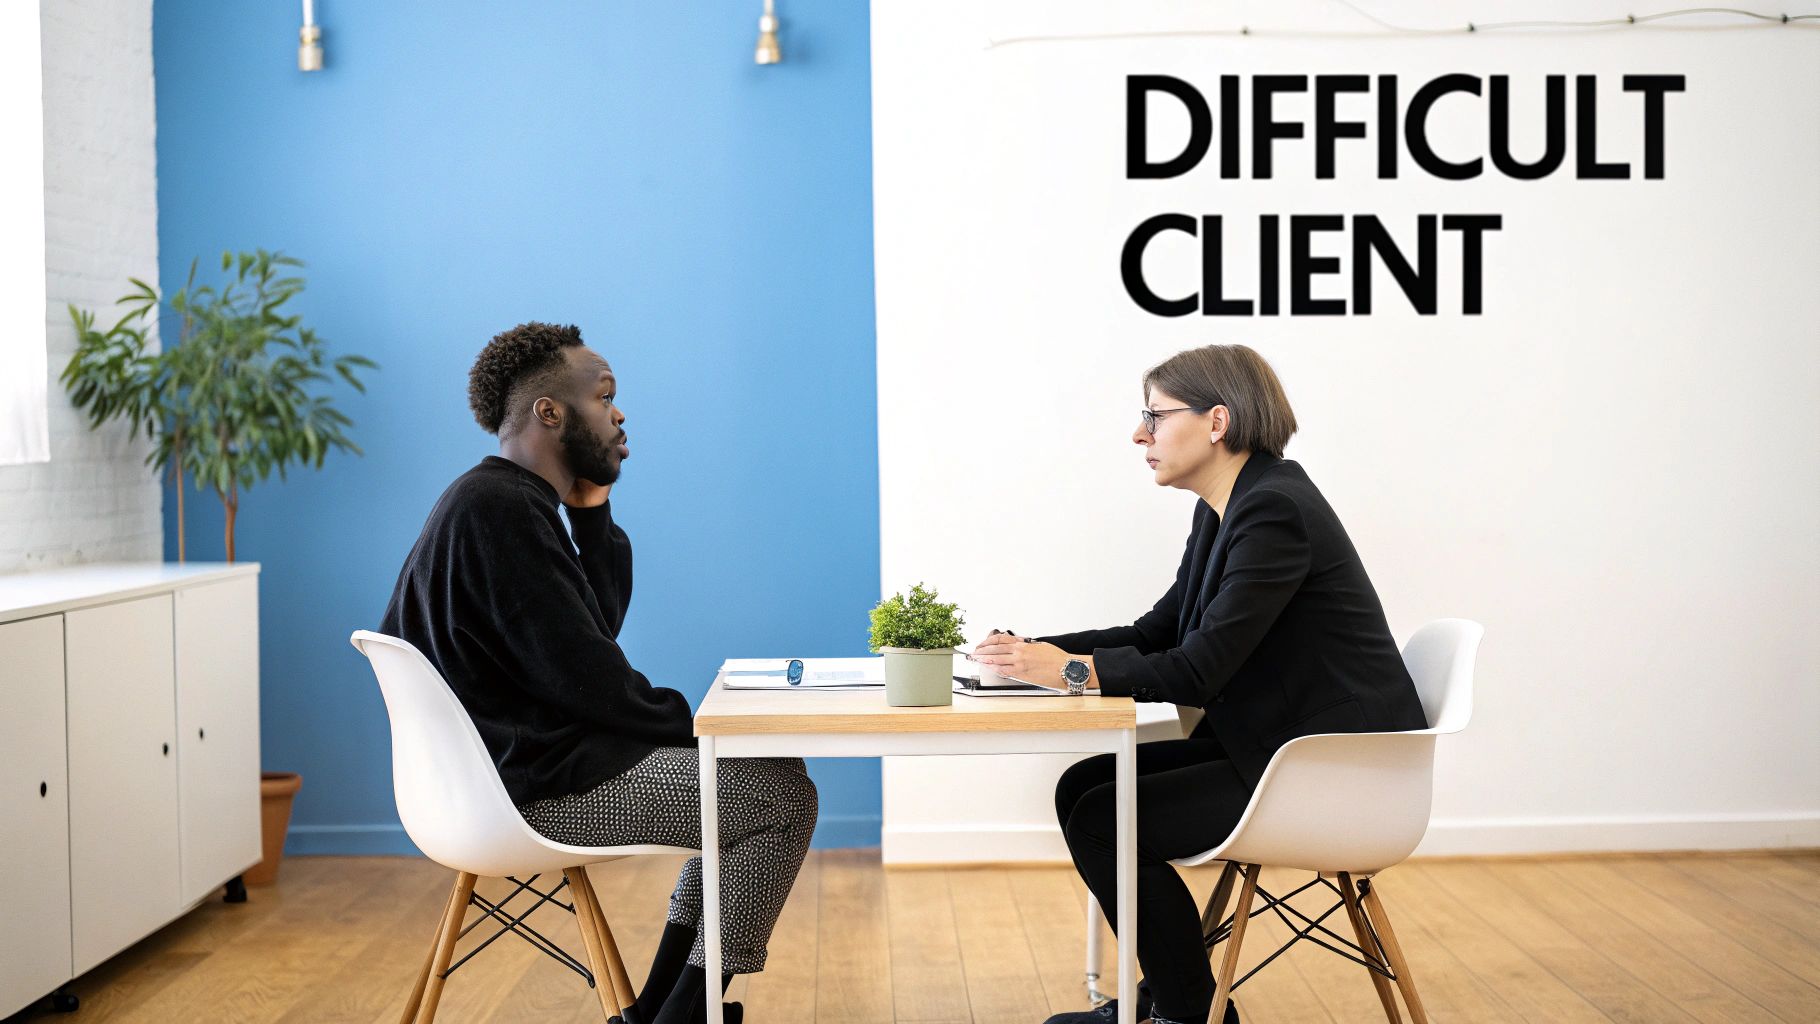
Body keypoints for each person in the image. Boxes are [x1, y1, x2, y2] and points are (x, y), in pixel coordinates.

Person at [971, 344, 1428, 1024]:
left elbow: (1198, 668)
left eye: (1154, 415)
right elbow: (1158, 632)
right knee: (1085, 789)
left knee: (1105, 817)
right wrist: (1028, 652)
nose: (1138, 434)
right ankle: (1176, 1002)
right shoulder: (1227, 505)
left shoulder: (1275, 511)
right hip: (1278, 749)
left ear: (1217, 421)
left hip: (1335, 772)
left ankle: (1184, 1013)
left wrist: (1066, 673)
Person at [381, 321, 816, 1024]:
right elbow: (592, 682)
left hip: (516, 771)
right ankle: (680, 1016)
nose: (619, 414)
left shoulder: (504, 501)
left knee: (766, 773)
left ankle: (657, 1013)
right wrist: (708, 724)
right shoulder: (501, 511)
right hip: (531, 788)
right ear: (550, 411)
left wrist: (591, 514)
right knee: (779, 799)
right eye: (604, 396)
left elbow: (588, 636)